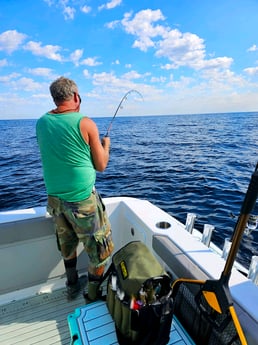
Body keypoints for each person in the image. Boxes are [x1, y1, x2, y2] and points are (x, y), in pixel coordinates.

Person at [36, 76, 114, 301]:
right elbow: (101, 166)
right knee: (100, 252)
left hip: (55, 201)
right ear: (76, 97)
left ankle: (71, 285)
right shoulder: (85, 122)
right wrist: (105, 146)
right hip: (82, 202)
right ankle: (91, 294)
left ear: (54, 98)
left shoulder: (41, 122)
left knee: (66, 244)